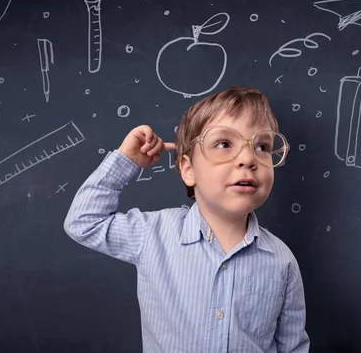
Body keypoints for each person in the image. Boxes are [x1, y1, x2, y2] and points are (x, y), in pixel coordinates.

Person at [64, 86, 310, 352]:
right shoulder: (153, 234)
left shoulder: (281, 260)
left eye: (262, 146)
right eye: (224, 144)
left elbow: (292, 347)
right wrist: (127, 160)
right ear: (188, 170)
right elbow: (83, 222)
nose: (248, 159)